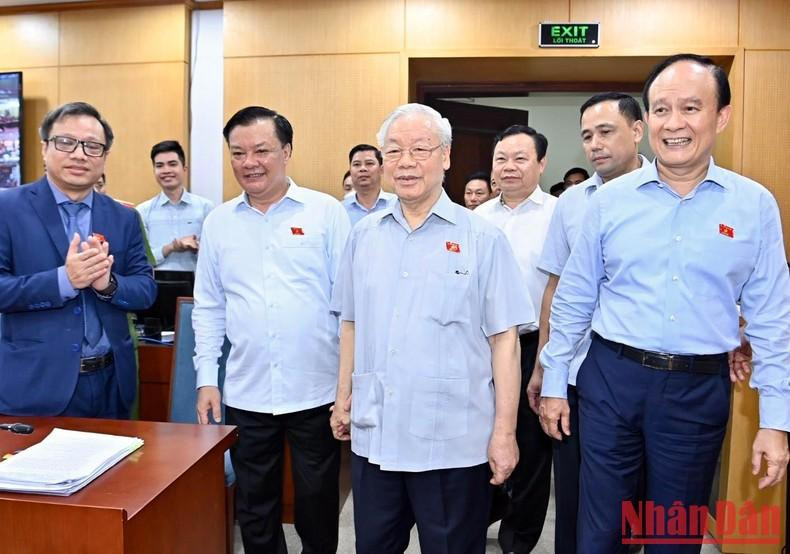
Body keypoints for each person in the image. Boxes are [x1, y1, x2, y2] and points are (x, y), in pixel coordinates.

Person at [539, 54, 790, 553]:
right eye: (661, 109)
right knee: (600, 529)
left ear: (721, 117)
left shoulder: (753, 205)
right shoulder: (609, 202)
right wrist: (553, 384)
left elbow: (772, 317)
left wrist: (776, 421)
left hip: (697, 389)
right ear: (646, 121)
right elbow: (574, 297)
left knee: (673, 533)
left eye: (691, 108)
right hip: (611, 378)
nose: (674, 123)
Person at [329, 103, 535, 554]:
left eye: (420, 149)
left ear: (445, 157)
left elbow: (505, 343)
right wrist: (343, 396)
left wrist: (504, 432)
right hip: (376, 434)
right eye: (395, 150)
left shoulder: (482, 239)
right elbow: (350, 322)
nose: (406, 162)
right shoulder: (363, 237)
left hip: (453, 443)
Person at [193, 106, 350, 553]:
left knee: (318, 503)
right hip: (248, 391)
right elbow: (209, 307)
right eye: (238, 153)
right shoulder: (219, 222)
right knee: (255, 508)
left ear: (287, 151)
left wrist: (347, 385)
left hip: (316, 390)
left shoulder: (325, 213)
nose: (249, 162)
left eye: (261, 150)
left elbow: (350, 307)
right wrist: (207, 378)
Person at [530, 92, 649, 554]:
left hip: (646, 375)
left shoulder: (667, 195)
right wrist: (544, 364)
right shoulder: (573, 202)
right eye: (586, 136)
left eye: (605, 132)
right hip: (576, 373)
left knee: (644, 502)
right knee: (579, 496)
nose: (594, 144)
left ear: (637, 131)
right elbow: (556, 290)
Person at [0, 101, 156, 417]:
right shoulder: (7, 208)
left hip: (112, 383)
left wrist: (108, 285)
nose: (79, 154)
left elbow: (146, 289)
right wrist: (63, 281)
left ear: (104, 157)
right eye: (66, 142)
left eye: (92, 146)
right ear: (45, 148)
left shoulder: (123, 217)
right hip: (36, 388)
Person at [475, 124, 557, 553]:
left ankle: (517, 541)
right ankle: (479, 516)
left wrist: (545, 361)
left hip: (533, 348)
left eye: (520, 158)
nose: (509, 167)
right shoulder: (476, 218)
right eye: (501, 159)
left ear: (542, 163)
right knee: (479, 438)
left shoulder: (557, 215)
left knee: (530, 449)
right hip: (479, 348)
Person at [135, 140, 213, 271]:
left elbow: (215, 256)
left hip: (196, 286)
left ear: (184, 168)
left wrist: (197, 247)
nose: (166, 170)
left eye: (172, 164)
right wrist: (170, 248)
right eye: (160, 166)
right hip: (156, 286)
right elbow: (140, 260)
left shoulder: (205, 207)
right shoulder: (142, 211)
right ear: (154, 170)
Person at [342, 143, 395, 225]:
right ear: (350, 170)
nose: (363, 168)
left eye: (369, 163)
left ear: (381, 169)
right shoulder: (341, 209)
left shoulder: (397, 204)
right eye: (357, 164)